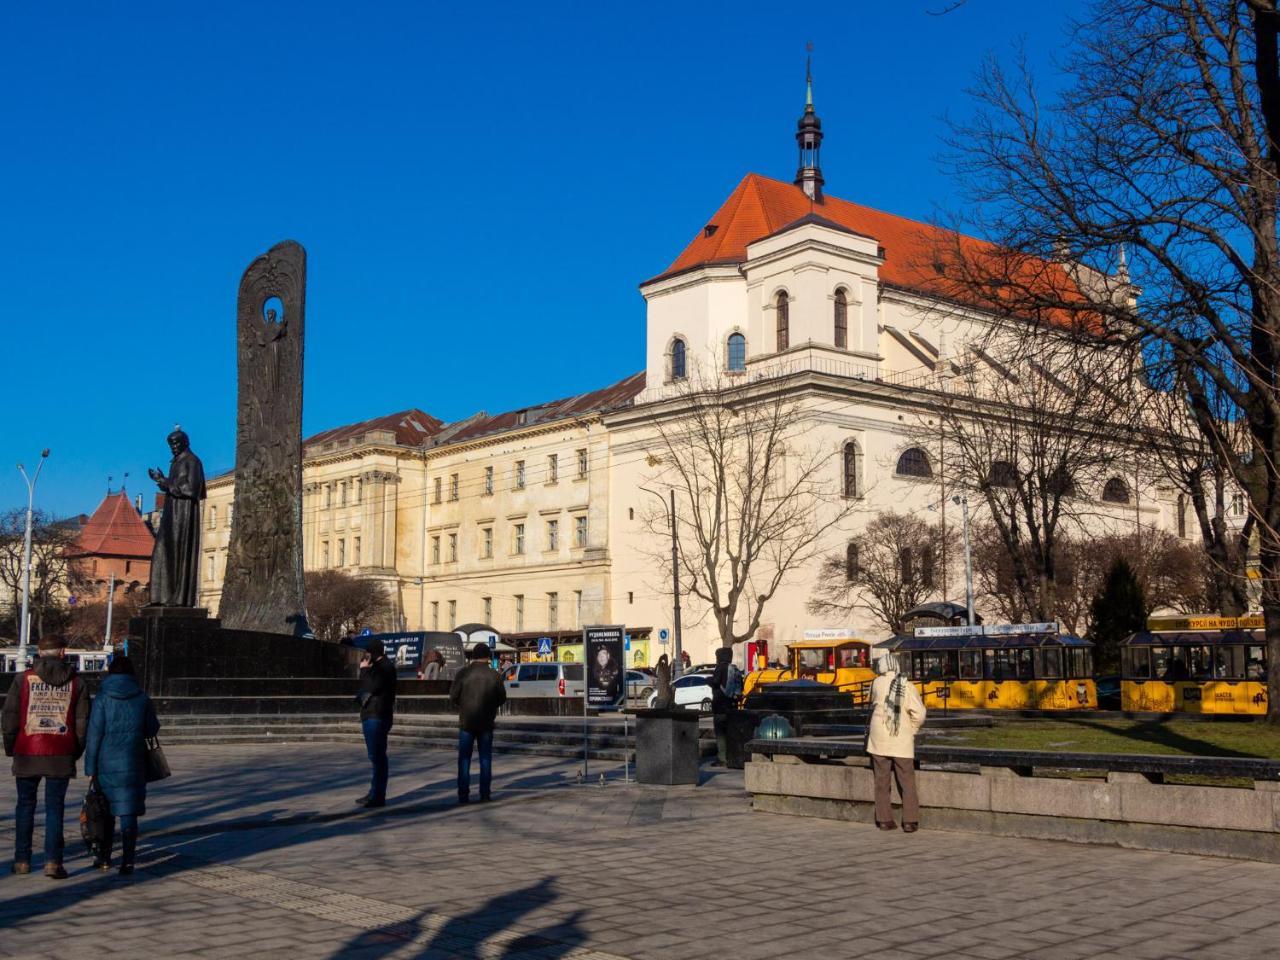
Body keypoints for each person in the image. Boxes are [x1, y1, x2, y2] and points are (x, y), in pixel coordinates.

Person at [2, 634, 89, 878]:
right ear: (63, 652)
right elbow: (82, 724)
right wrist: (75, 750)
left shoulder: (22, 680)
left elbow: (9, 718)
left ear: (39, 653)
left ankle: (22, 860)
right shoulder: (77, 683)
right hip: (60, 753)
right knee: (55, 808)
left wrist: (12, 747)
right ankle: (53, 862)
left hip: (27, 750)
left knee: (25, 806)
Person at [83, 656, 160, 875]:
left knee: (104, 811)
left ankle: (104, 858)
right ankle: (128, 861)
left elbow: (94, 735)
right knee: (128, 814)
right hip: (134, 762)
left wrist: (90, 768)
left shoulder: (103, 698)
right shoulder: (142, 698)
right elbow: (152, 728)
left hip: (106, 762)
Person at [867, 652, 927, 833]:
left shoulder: (875, 683)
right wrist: (913, 729)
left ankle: (884, 820)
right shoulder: (906, 685)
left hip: (878, 737)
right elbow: (920, 713)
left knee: (881, 781)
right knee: (907, 780)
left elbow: (872, 704)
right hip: (900, 737)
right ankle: (909, 821)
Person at [449, 642, 507, 804]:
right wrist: (490, 706)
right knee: (485, 758)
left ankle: (463, 794)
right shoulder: (493, 675)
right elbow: (502, 698)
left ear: (473, 656)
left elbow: (453, 696)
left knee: (464, 759)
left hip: (466, 722)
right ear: (488, 656)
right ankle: (485, 794)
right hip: (486, 722)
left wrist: (464, 705)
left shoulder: (463, 673)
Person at [355, 640, 397, 808]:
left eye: (367, 653)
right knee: (376, 757)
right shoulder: (382, 666)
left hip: (377, 715)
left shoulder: (384, 668)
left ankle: (378, 795)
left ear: (372, 653)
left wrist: (364, 670)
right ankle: (375, 791)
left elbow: (370, 686)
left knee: (377, 757)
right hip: (375, 714)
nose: (365, 657)